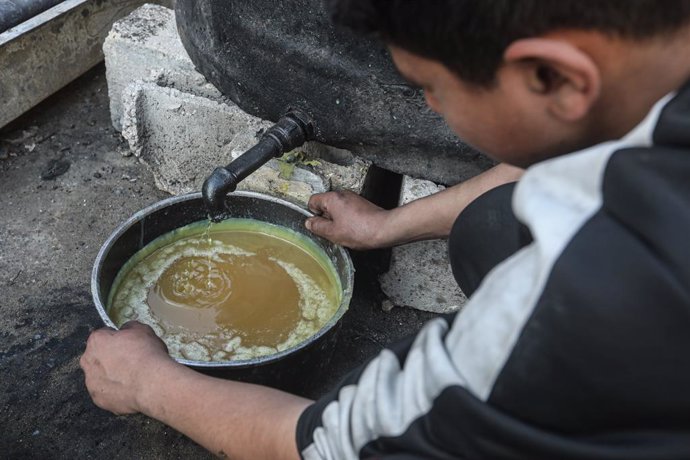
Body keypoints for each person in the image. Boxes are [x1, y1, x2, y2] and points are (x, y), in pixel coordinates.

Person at [80, 1, 690, 458]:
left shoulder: (564, 310)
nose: (428, 106)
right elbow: (564, 157)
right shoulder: (654, 71)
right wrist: (386, 226)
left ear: (554, 77)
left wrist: (149, 383)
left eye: (430, 85)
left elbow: (333, 443)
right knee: (490, 225)